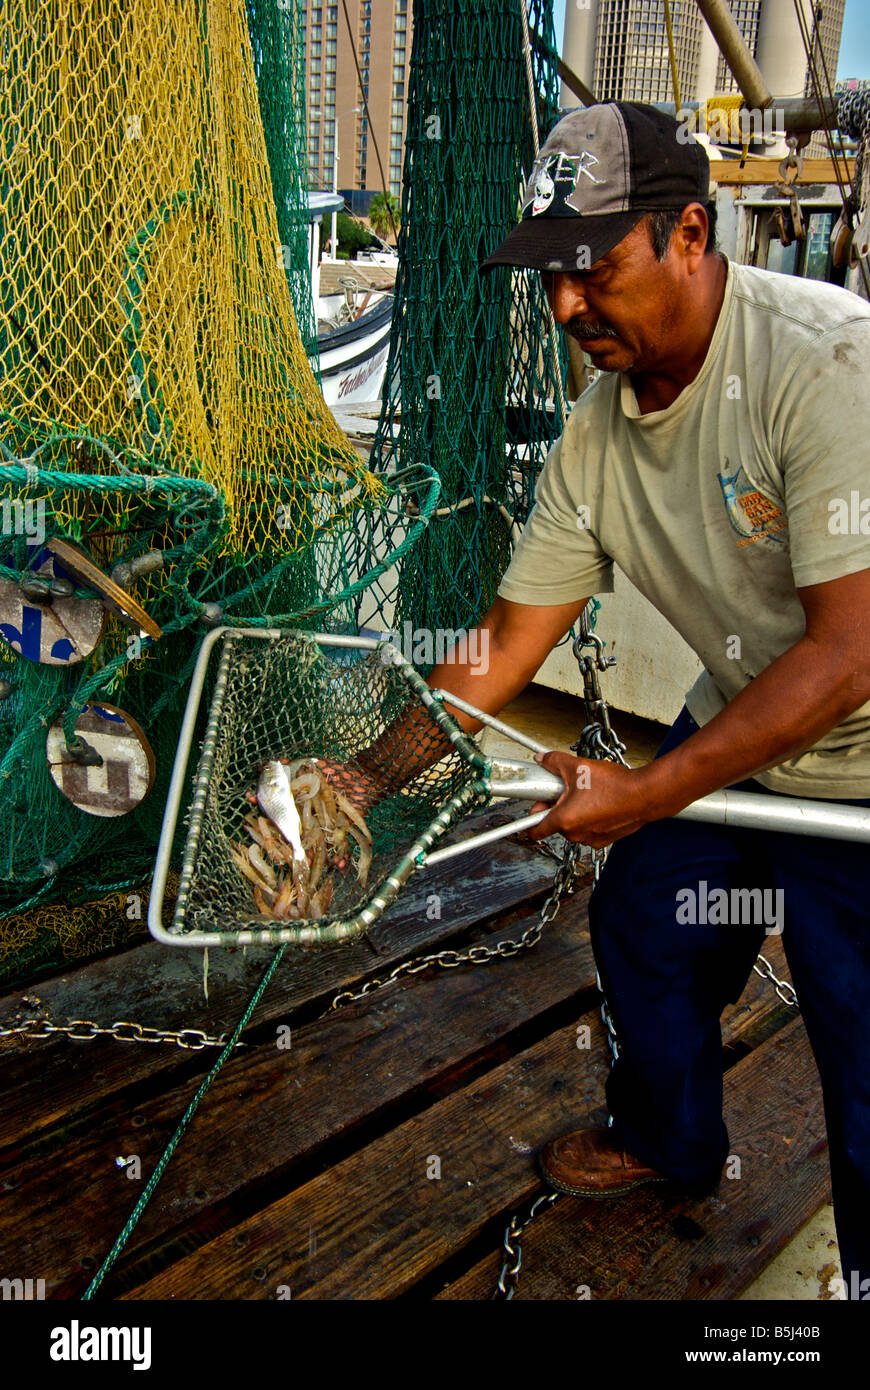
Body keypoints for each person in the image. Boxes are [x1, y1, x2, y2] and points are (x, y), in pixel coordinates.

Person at [346, 100, 870, 1297]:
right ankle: (670, 1139)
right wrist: (361, 784)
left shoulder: (829, 362)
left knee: (860, 1038)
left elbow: (849, 657)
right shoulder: (594, 438)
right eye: (551, 277)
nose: (571, 307)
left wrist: (639, 790)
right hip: (745, 723)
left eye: (598, 267)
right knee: (649, 927)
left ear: (690, 232)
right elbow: (500, 649)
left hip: (862, 764)